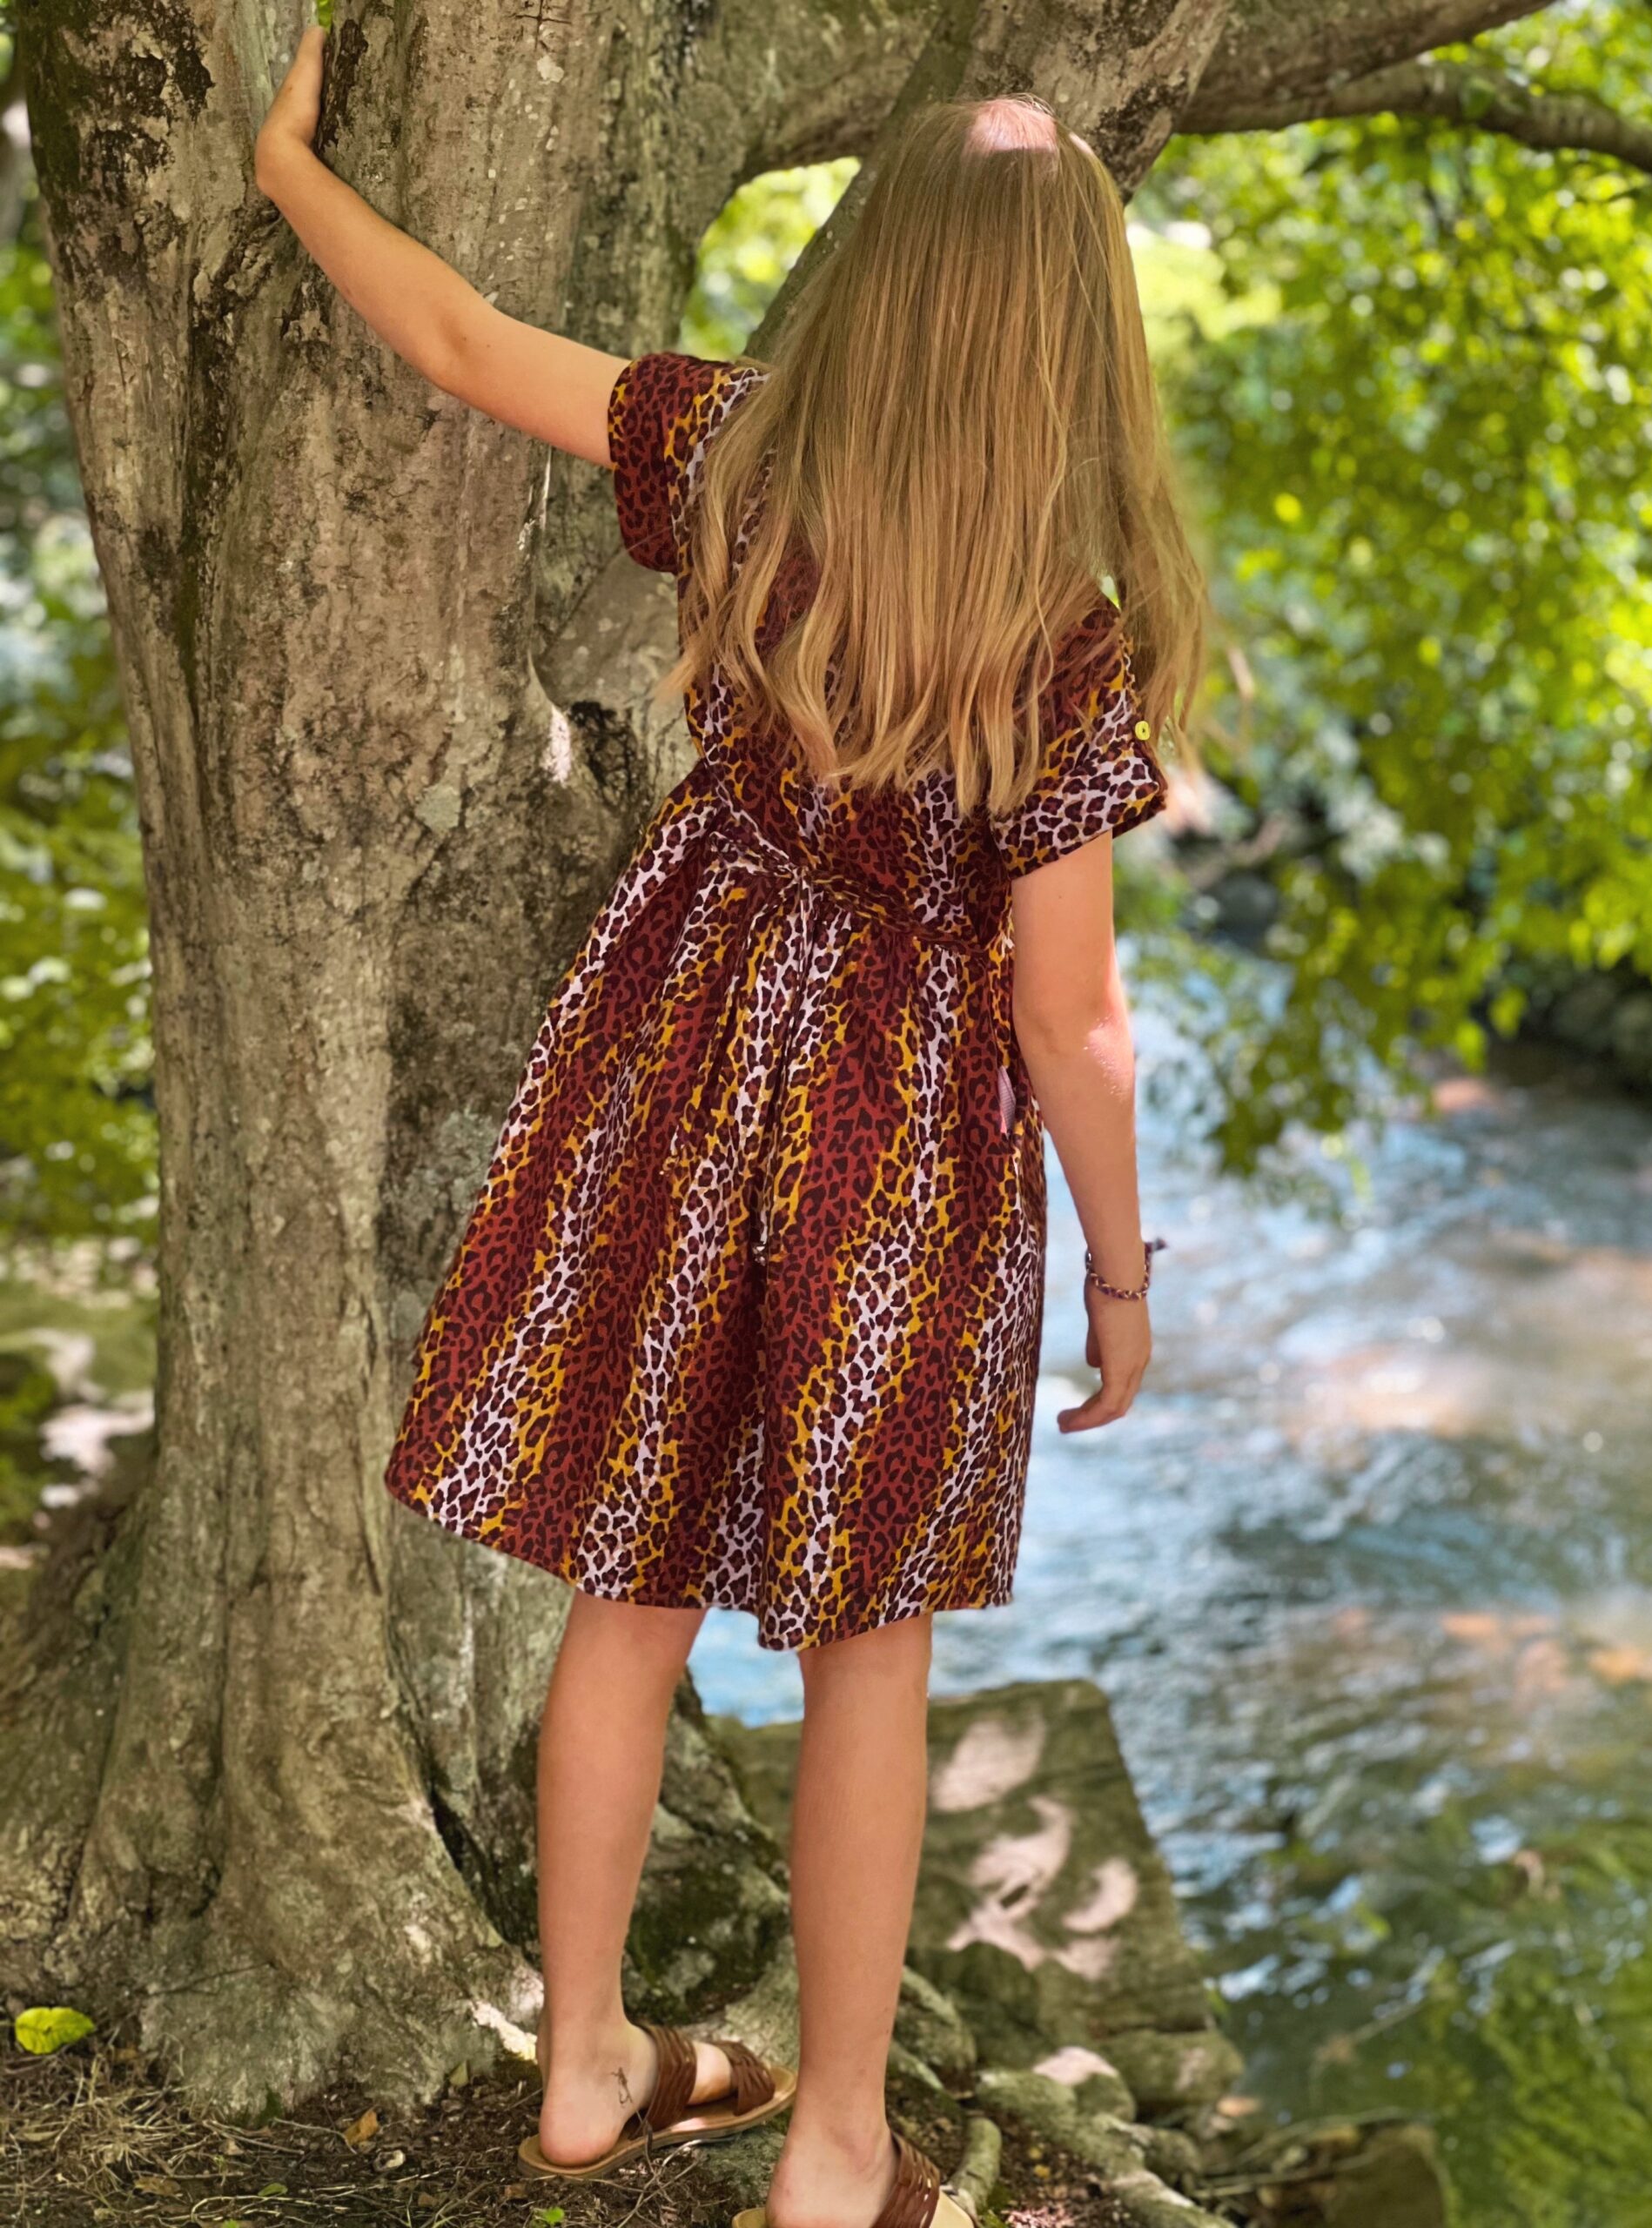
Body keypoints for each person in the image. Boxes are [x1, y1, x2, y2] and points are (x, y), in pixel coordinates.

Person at [257, 27, 1206, 2228]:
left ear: (870, 271)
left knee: (634, 1570)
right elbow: (1070, 1020)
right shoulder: (1069, 643)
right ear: (1073, 334)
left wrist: (289, 166)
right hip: (894, 1147)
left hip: (677, 1065)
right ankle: (836, 2140)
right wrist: (1128, 1272)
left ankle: (585, 2055)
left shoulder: (734, 454)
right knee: (867, 1638)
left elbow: (457, 331)